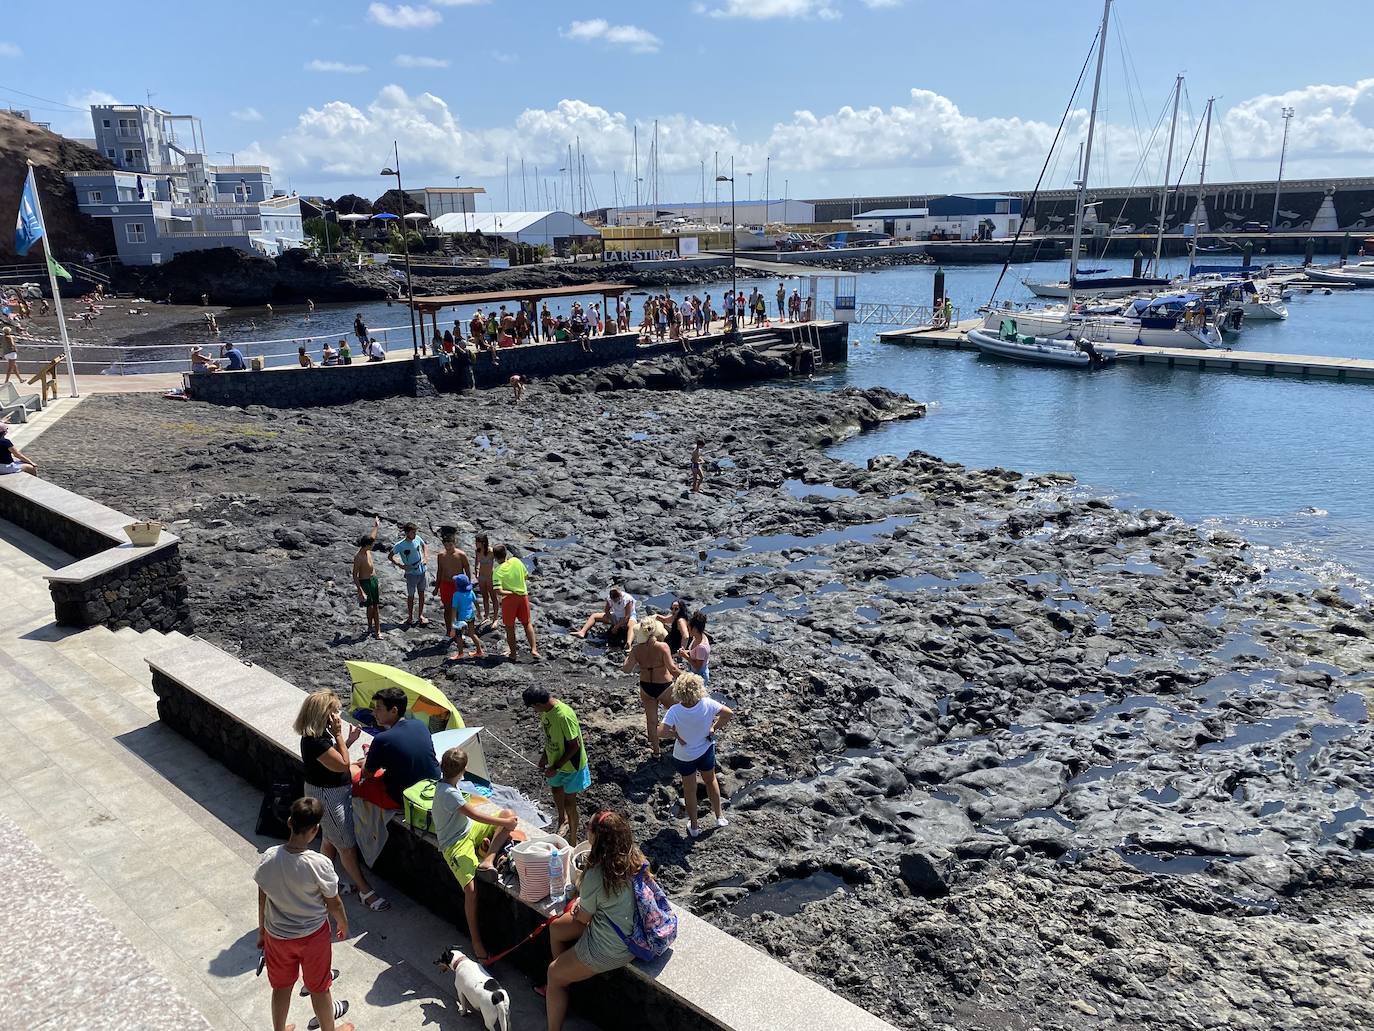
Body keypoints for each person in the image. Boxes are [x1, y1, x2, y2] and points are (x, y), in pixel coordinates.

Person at [254, 797, 354, 1031]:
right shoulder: (319, 864)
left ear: (289, 822)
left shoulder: (269, 857)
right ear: (315, 829)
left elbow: (263, 897)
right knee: (319, 987)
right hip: (313, 937)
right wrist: (343, 923)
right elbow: (334, 902)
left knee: (281, 987)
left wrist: (262, 930)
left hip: (277, 936)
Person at [543, 811, 647, 1031]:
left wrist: (581, 905)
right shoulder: (634, 858)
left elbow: (582, 920)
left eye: (588, 828)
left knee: (553, 973)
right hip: (633, 932)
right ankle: (565, 981)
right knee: (555, 929)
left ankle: (559, 986)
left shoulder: (597, 875)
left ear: (596, 837)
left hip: (611, 947)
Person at [294, 690, 390, 912]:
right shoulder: (316, 741)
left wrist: (348, 740)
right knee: (346, 846)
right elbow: (342, 764)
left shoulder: (317, 737)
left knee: (330, 841)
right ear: (323, 715)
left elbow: (332, 758)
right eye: (334, 711)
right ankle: (365, 891)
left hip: (330, 792)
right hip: (329, 797)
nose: (337, 715)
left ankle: (324, 884)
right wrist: (339, 735)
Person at [434, 746, 519, 964]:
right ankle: (476, 942)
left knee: (507, 812)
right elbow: (476, 814)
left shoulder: (447, 783)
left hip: (468, 829)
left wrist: (505, 820)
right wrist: (505, 823)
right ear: (463, 770)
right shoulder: (449, 793)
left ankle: (488, 858)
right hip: (454, 843)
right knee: (471, 891)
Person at [659, 672, 733, 837]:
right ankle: (719, 817)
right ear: (699, 688)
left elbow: (661, 733)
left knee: (689, 790)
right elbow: (728, 713)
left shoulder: (675, 710)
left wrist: (676, 735)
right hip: (705, 749)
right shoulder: (708, 704)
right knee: (710, 780)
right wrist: (714, 727)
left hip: (685, 756)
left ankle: (694, 827)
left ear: (679, 691)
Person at [356, 686, 442, 809]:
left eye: (378, 708)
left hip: (405, 797)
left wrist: (366, 759)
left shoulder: (383, 739)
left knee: (354, 776)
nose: (374, 712)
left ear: (394, 711)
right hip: (432, 786)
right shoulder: (420, 725)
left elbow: (367, 773)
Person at [522, 686, 588, 843]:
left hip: (571, 766)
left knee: (570, 803)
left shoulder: (563, 715)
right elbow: (549, 737)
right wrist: (545, 757)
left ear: (538, 704)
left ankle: (572, 839)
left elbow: (575, 745)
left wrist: (556, 767)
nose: (533, 711)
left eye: (532, 707)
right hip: (554, 762)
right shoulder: (545, 712)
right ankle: (561, 819)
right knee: (556, 790)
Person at [623, 620, 680, 758]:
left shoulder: (636, 649)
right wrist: (687, 677)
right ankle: (682, 739)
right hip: (664, 687)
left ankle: (656, 752)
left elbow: (626, 669)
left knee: (651, 721)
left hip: (646, 687)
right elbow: (672, 669)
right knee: (679, 716)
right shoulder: (662, 647)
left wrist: (629, 656)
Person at [493, 543, 539, 660]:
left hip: (509, 600)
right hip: (523, 596)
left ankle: (513, 654)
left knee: (509, 627)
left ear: (495, 557)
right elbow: (526, 576)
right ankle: (533, 649)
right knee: (527, 623)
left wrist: (510, 592)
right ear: (506, 553)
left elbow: (498, 591)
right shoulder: (516, 561)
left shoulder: (497, 571)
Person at [433, 531, 472, 638]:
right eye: (446, 545)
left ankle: (460, 631)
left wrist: (468, 585)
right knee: (447, 609)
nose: (448, 547)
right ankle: (449, 631)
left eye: (450, 545)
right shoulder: (441, 556)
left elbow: (467, 569)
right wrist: (437, 587)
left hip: (458, 585)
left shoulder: (461, 555)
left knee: (459, 608)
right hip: (445, 584)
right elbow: (439, 571)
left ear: (454, 543)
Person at [389, 522, 429, 627]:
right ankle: (410, 617)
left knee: (421, 593)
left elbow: (424, 545)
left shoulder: (417, 538)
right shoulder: (400, 545)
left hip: (421, 570)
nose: (415, 534)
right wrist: (400, 565)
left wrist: (425, 557)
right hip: (411, 573)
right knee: (411, 595)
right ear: (407, 533)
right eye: (413, 532)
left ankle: (420, 615)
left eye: (415, 532)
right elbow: (390, 556)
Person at [572, 586, 637, 644]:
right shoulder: (610, 598)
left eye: (616, 600)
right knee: (594, 616)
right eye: (613, 600)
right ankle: (582, 632)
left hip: (628, 618)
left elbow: (627, 616)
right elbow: (606, 610)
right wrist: (612, 621)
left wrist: (616, 627)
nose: (614, 601)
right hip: (616, 615)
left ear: (620, 596)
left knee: (632, 626)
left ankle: (628, 643)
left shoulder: (627, 599)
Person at [352, 517, 382, 639]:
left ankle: (373, 628)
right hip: (365, 582)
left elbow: (372, 536)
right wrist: (361, 591)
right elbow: (355, 575)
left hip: (373, 580)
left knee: (375, 606)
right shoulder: (359, 557)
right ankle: (375, 629)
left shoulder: (367, 551)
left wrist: (376, 525)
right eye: (371, 544)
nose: (373, 545)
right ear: (366, 545)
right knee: (371, 607)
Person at [446, 573, 486, 659]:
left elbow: (454, 610)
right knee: (472, 634)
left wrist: (453, 623)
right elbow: (476, 603)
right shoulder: (471, 592)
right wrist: (479, 613)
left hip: (461, 619)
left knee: (459, 636)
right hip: (471, 616)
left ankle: (460, 654)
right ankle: (479, 651)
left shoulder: (456, 595)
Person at [679, 610, 711, 684]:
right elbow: (695, 654)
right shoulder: (697, 637)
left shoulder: (701, 647)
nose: (687, 630)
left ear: (695, 629)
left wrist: (685, 656)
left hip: (700, 676)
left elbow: (697, 666)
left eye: (689, 628)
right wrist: (685, 652)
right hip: (694, 672)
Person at [473, 532, 497, 622]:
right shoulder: (477, 551)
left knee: (493, 597)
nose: (475, 544)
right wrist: (476, 571)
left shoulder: (491, 551)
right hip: (482, 577)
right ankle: (486, 616)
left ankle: (495, 618)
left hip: (490, 577)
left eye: (477, 542)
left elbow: (500, 560)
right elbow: (476, 563)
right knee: (485, 597)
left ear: (483, 542)